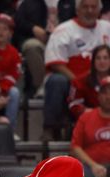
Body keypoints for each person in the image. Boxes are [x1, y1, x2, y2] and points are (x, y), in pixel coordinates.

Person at [43, 0, 110, 140]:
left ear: (99, 10)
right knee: (56, 81)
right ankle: (52, 129)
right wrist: (79, 82)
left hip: (104, 82)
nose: (90, 11)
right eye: (85, 7)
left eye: (93, 7)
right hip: (74, 81)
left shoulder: (107, 28)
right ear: (77, 10)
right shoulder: (63, 30)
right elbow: (55, 62)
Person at [71, 75, 110, 177]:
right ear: (98, 96)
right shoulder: (86, 117)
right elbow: (75, 147)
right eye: (104, 93)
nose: (108, 97)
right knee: (78, 174)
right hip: (91, 167)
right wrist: (94, 166)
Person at [0, 13, 22, 129]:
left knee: (14, 93)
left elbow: (13, 75)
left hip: (3, 89)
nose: (1, 32)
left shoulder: (14, 53)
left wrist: (1, 87)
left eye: (5, 29)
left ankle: (9, 130)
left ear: (11, 33)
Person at [13, 0, 55, 97]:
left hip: (65, 40)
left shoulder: (70, 3)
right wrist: (32, 28)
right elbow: (18, 22)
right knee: (32, 46)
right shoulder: (28, 3)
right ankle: (40, 86)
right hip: (37, 40)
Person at [68, 44, 110, 119]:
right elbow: (73, 105)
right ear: (93, 61)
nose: (102, 62)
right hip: (90, 120)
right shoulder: (79, 81)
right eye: (98, 58)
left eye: (105, 58)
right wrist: (90, 112)